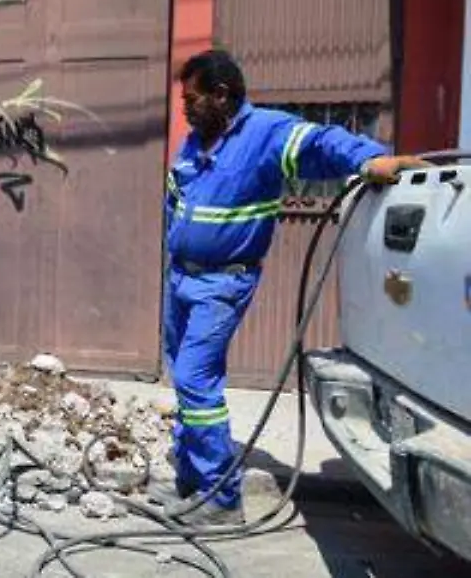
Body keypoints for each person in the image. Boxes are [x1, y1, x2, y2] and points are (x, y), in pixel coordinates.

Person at [155, 49, 428, 525]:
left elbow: (322, 143)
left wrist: (371, 160)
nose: (185, 108)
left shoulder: (265, 133)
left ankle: (221, 499)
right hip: (180, 276)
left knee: (196, 380)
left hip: (221, 282)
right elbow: (178, 200)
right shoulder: (195, 143)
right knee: (184, 378)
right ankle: (192, 479)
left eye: (191, 99)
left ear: (221, 95)